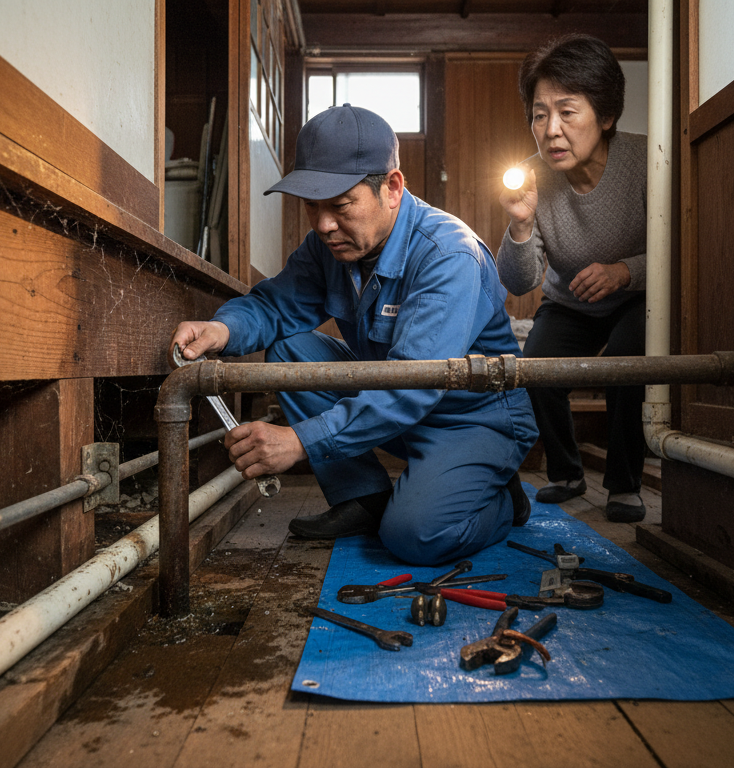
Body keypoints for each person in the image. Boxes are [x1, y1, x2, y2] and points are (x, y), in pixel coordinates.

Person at [171, 104, 538, 566]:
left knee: (415, 536)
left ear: (393, 188)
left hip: (473, 419)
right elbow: (275, 305)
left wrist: (299, 442)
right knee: (290, 349)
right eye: (312, 206)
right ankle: (362, 497)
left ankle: (505, 501)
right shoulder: (331, 247)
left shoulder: (448, 254)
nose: (324, 225)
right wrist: (221, 329)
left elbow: (410, 385)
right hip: (397, 404)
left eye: (341, 205)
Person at [495, 34, 649, 522]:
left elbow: (685, 248)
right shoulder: (531, 178)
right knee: (536, 367)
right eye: (540, 115)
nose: (551, 130)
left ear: (606, 116)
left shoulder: (648, 160)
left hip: (639, 297)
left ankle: (624, 484)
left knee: (627, 362)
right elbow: (520, 282)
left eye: (567, 112)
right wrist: (521, 224)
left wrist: (625, 271)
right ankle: (566, 473)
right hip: (569, 303)